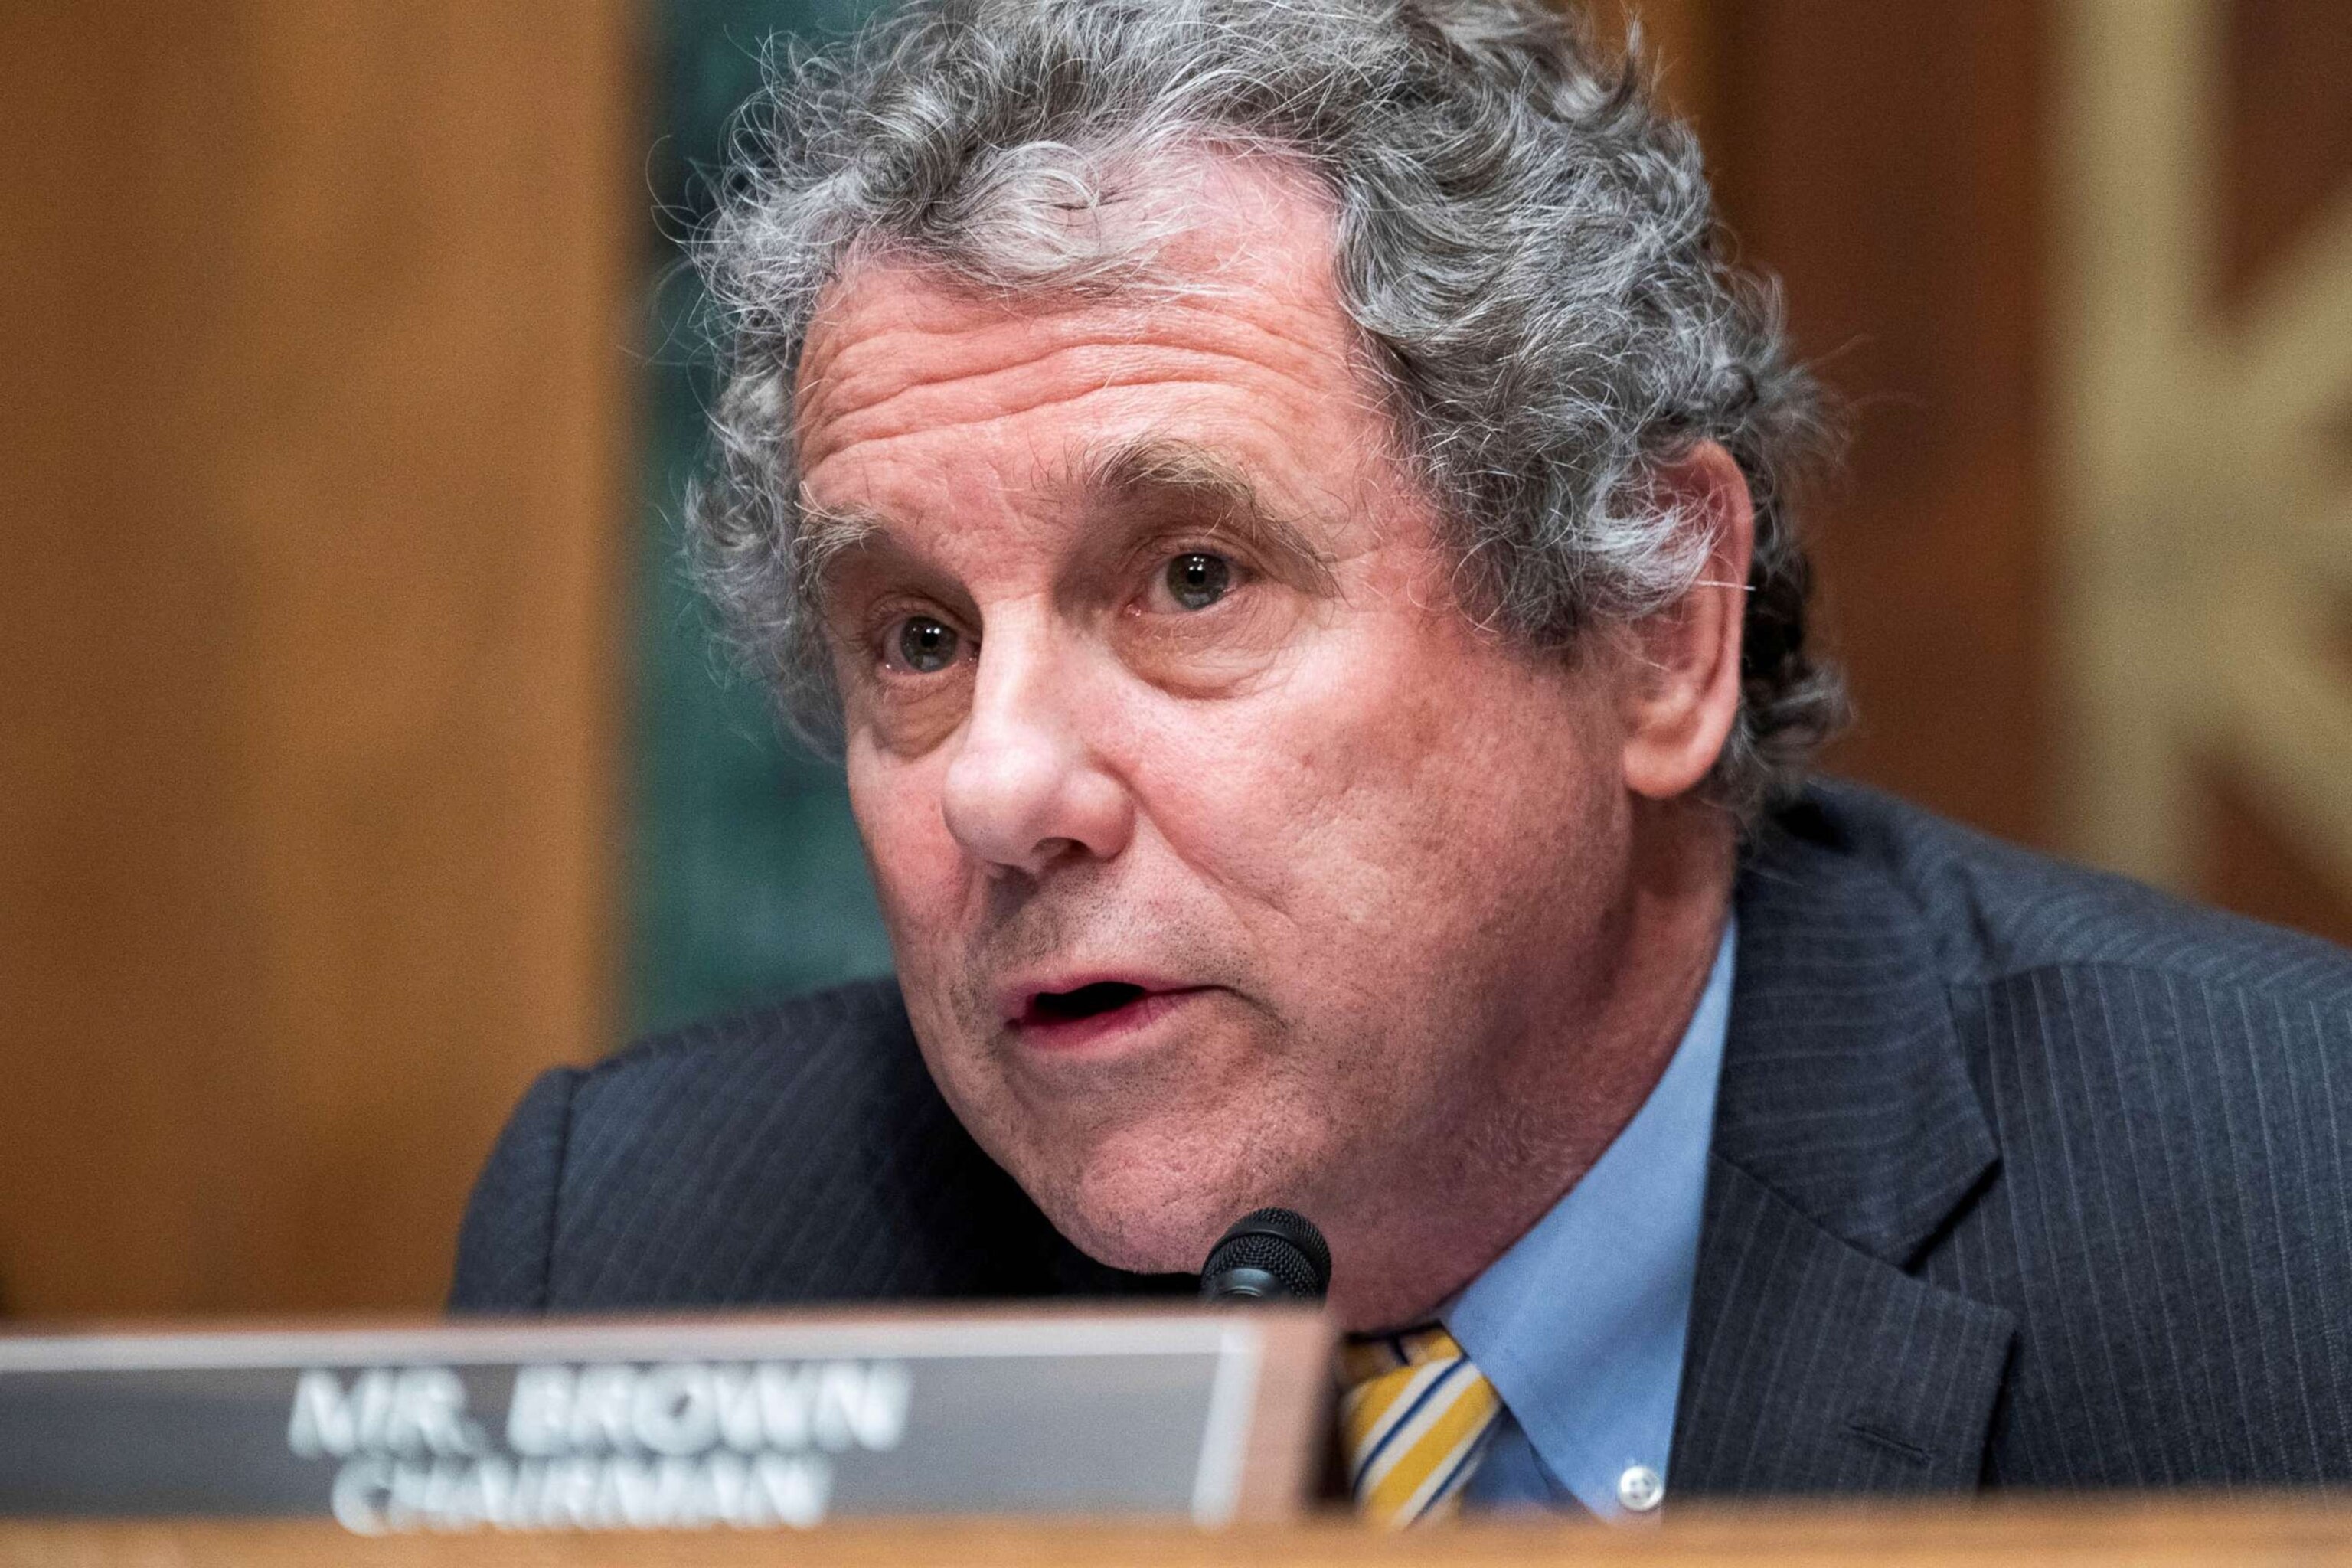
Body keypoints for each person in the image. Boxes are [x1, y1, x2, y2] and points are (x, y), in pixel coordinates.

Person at [452, 0, 2352, 1517]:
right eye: (920, 639)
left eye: (1194, 577)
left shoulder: (2286, 1214)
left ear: (1655, 625)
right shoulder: (666, 1254)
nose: (1000, 788)